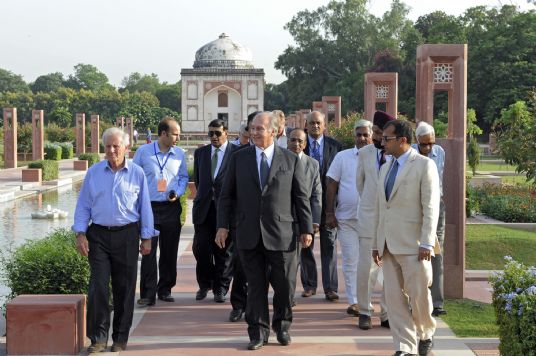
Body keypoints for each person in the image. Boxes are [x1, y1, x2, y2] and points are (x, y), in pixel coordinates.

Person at [215, 112, 313, 350]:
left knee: (285, 286)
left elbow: (301, 197)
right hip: (248, 232)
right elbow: (226, 195)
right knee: (255, 287)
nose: (255, 132)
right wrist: (222, 226)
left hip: (283, 233)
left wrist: (307, 228)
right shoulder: (238, 158)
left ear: (275, 131)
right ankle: (258, 332)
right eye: (252, 128)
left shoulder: (290, 159)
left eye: (260, 128)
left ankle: (282, 326)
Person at [72, 127, 158, 353]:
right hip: (98, 235)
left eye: (115, 146)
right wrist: (80, 233)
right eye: (107, 146)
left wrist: (146, 237)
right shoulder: (94, 172)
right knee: (98, 287)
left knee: (124, 288)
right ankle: (98, 339)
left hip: (127, 235)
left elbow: (145, 208)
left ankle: (120, 337)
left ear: (127, 148)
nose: (111, 150)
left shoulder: (137, 173)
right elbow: (83, 205)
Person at [372, 120, 440, 356]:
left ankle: (425, 333)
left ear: (402, 140)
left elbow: (431, 207)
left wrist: (427, 242)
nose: (382, 143)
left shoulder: (424, 166)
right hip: (388, 245)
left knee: (420, 295)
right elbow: (381, 209)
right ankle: (405, 346)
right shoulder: (384, 167)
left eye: (386, 139)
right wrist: (375, 243)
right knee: (394, 300)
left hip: (415, 245)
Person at [133, 117, 188, 306]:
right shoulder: (143, 152)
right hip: (149, 208)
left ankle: (165, 288)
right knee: (148, 250)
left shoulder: (179, 153)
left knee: (169, 250)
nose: (178, 138)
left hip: (171, 207)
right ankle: (148, 293)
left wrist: (177, 192)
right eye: (175, 134)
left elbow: (183, 178)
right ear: (163, 133)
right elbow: (134, 178)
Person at [325, 119, 372, 316]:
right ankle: (354, 301)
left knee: (369, 263)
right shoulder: (342, 157)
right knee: (351, 261)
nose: (361, 138)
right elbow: (331, 183)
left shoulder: (380, 156)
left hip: (371, 220)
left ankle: (365, 301)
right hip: (346, 219)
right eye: (358, 134)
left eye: (365, 134)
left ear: (371, 136)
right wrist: (329, 212)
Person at [192, 119, 239, 304]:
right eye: (210, 133)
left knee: (224, 251)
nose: (213, 137)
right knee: (201, 248)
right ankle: (205, 283)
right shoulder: (200, 153)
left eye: (217, 133)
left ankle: (221, 288)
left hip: (225, 209)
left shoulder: (236, 153)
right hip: (204, 209)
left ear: (226, 132)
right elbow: (198, 181)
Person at [355, 110, 393, 330]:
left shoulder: (398, 154)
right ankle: (364, 311)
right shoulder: (366, 153)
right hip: (369, 217)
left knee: (390, 269)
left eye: (380, 133)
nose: (376, 137)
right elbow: (360, 184)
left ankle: (387, 312)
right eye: (375, 132)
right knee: (366, 268)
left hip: (392, 221)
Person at [301, 110, 342, 301]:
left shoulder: (336, 147)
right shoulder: (299, 146)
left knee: (330, 246)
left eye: (318, 123)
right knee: (305, 246)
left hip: (329, 207)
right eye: (311, 123)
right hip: (305, 206)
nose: (315, 126)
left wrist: (332, 209)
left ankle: (330, 288)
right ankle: (309, 285)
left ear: (324, 125)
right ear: (306, 125)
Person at [413, 121, 446, 317]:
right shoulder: (412, 155)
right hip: (416, 207)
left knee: (437, 250)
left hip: (437, 206)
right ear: (417, 141)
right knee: (414, 251)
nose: (428, 148)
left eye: (430, 143)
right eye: (424, 144)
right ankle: (415, 299)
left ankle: (437, 302)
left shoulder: (440, 153)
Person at [286, 128, 322, 306]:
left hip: (305, 218)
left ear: (305, 144)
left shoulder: (313, 164)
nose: (296, 144)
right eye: (293, 140)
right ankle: (288, 294)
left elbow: (316, 194)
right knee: (287, 261)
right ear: (287, 141)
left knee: (306, 255)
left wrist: (314, 220)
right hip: (283, 219)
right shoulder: (280, 160)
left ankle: (309, 284)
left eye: (300, 141)